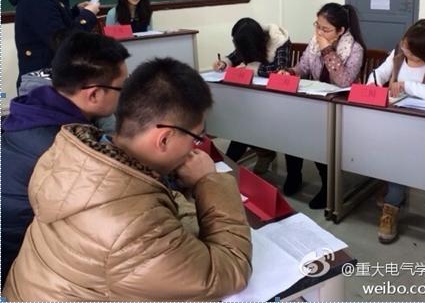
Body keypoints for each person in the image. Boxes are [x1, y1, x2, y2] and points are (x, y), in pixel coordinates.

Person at [2, 58, 252, 301]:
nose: (194, 148)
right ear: (164, 139)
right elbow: (229, 270)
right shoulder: (134, 228)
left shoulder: (70, 150)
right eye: (195, 138)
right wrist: (208, 180)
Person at [1, 31, 129, 284]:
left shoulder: (30, 110)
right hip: (17, 269)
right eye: (122, 87)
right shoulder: (68, 150)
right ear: (94, 94)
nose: (125, 94)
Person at [367, 19, 425, 243]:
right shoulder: (399, 52)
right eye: (405, 46)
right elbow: (379, 75)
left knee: (400, 152)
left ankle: (391, 205)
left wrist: (406, 85)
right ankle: (391, 190)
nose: (406, 53)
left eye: (413, 52)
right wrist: (371, 87)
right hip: (395, 120)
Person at [278, 3, 366, 209]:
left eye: (325, 29)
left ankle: (329, 186)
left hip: (343, 106)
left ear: (341, 30)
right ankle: (294, 174)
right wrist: (289, 72)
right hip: (318, 101)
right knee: (292, 128)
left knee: (319, 136)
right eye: (317, 26)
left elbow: (343, 81)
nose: (319, 32)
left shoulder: (355, 49)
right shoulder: (314, 43)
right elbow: (303, 67)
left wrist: (326, 48)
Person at [213, 17, 291, 174]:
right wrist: (224, 63)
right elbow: (236, 55)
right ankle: (262, 152)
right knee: (243, 122)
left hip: (276, 98)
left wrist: (254, 69)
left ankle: (258, 154)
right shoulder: (248, 39)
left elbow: (279, 70)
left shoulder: (279, 40)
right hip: (253, 95)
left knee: (247, 123)